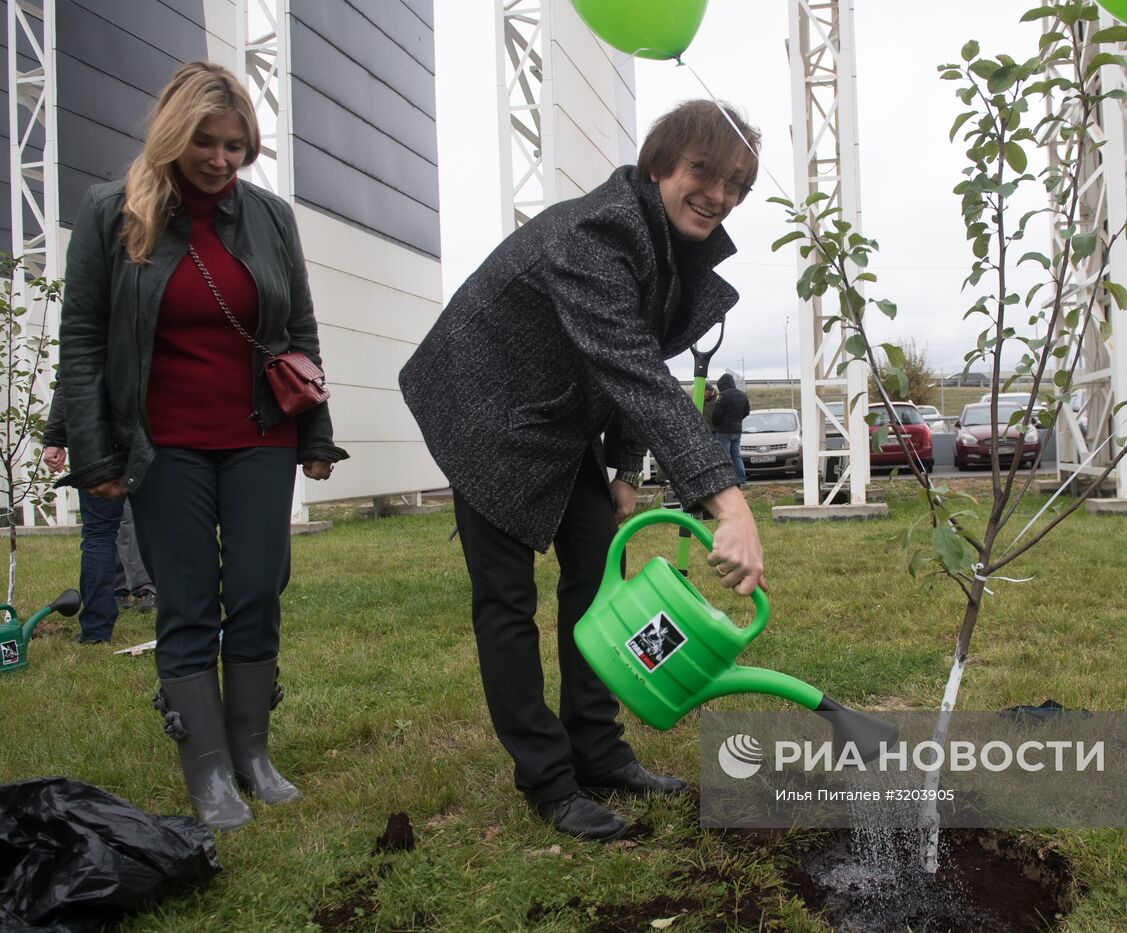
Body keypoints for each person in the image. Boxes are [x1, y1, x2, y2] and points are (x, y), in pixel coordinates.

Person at [401, 99, 767, 842]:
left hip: (557, 417)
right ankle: (548, 778)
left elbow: (635, 353)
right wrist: (729, 506)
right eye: (703, 172)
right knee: (506, 600)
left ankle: (597, 749)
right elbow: (633, 368)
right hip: (483, 409)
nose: (719, 195)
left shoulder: (664, 243)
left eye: (735, 184)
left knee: (601, 571)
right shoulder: (595, 234)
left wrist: (624, 465)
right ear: (659, 165)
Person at [55, 61, 347, 831]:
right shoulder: (111, 211)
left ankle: (252, 751)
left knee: (256, 588)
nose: (221, 159)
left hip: (260, 436)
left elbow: (299, 330)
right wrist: (93, 454)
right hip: (165, 444)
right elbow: (82, 339)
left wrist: (315, 432)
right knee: (186, 600)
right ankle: (209, 768)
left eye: (235, 145)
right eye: (206, 142)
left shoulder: (270, 216)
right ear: (172, 135)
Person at [41, 387, 154, 643]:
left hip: (98, 436)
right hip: (149, 428)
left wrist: (55, 438)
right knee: (168, 526)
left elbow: (68, 380)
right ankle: (185, 622)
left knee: (99, 535)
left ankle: (96, 630)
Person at [710, 373, 750, 485]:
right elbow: (747, 411)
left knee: (725, 456)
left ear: (722, 385)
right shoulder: (743, 394)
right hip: (737, 430)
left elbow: (716, 414)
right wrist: (738, 420)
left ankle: (728, 480)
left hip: (723, 430)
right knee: (736, 455)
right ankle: (741, 479)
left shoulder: (722, 396)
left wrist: (717, 424)